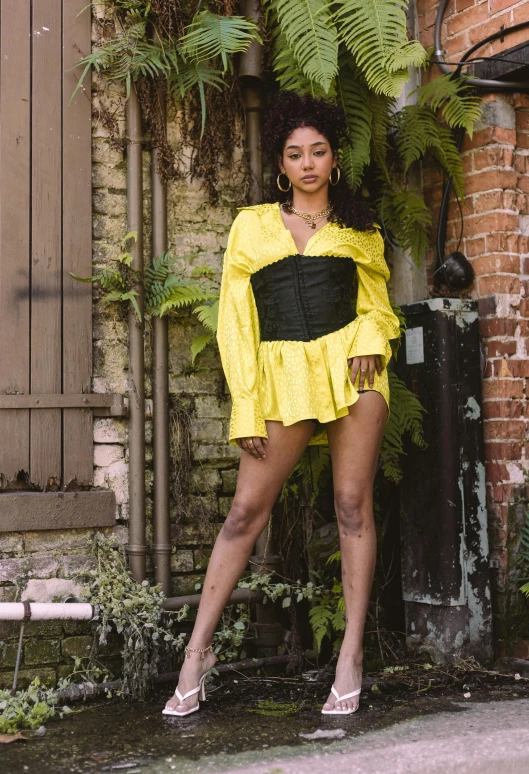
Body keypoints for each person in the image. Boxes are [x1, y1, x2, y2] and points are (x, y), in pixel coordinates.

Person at [163, 91, 400, 718]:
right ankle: (196, 656)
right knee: (245, 511)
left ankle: (350, 656)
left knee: (353, 505)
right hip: (282, 377)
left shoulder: (359, 226)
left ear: (334, 158)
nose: (308, 164)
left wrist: (370, 343)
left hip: (353, 374)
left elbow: (378, 306)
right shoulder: (253, 225)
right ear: (281, 163)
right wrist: (246, 405)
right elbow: (235, 324)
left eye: (318, 151)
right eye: (296, 154)